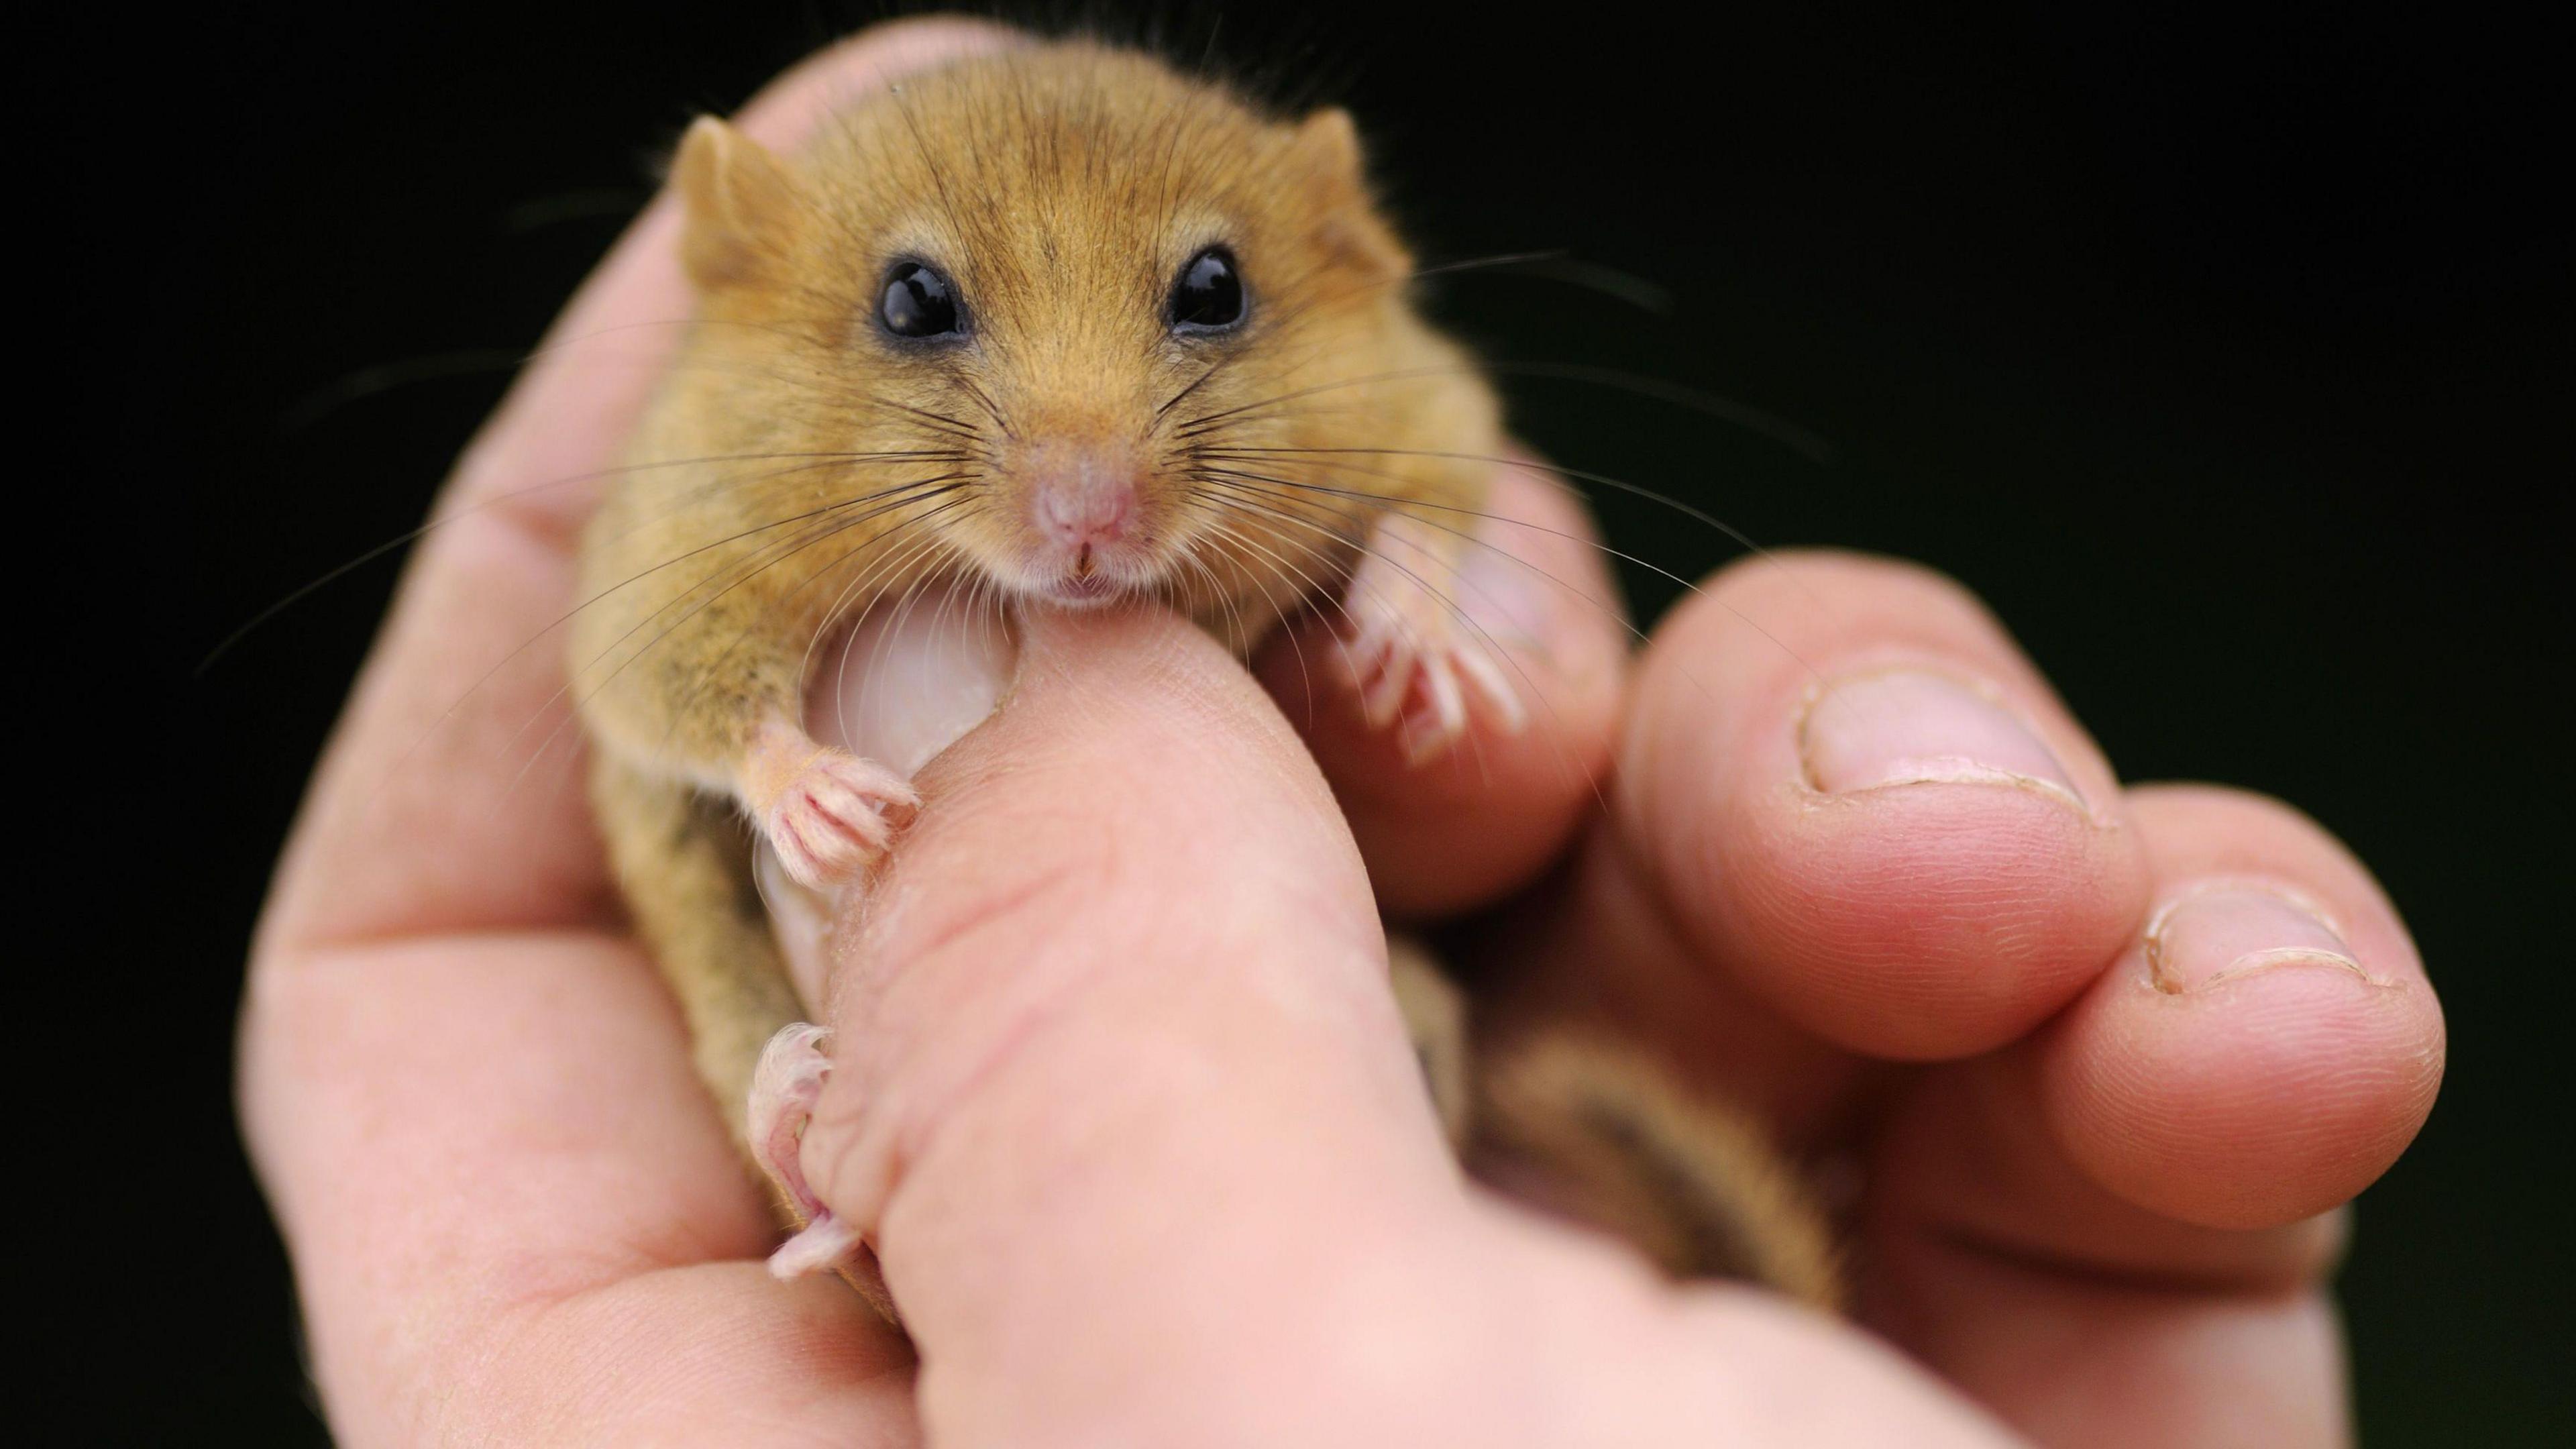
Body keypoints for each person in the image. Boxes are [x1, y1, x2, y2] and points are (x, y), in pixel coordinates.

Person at [239, 18, 2444, 1444]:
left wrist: (1401, 565)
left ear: (1325, 245)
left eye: (1204, 299)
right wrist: (773, 756)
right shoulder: (726, 471)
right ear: (758, 275)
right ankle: (806, 1120)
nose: (1089, 470)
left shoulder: (1333, 388)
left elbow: (1443, 431)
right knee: (747, 972)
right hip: (760, 971)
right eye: (925, 316)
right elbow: (641, 674)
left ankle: (1436, 1148)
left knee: (1404, 974)